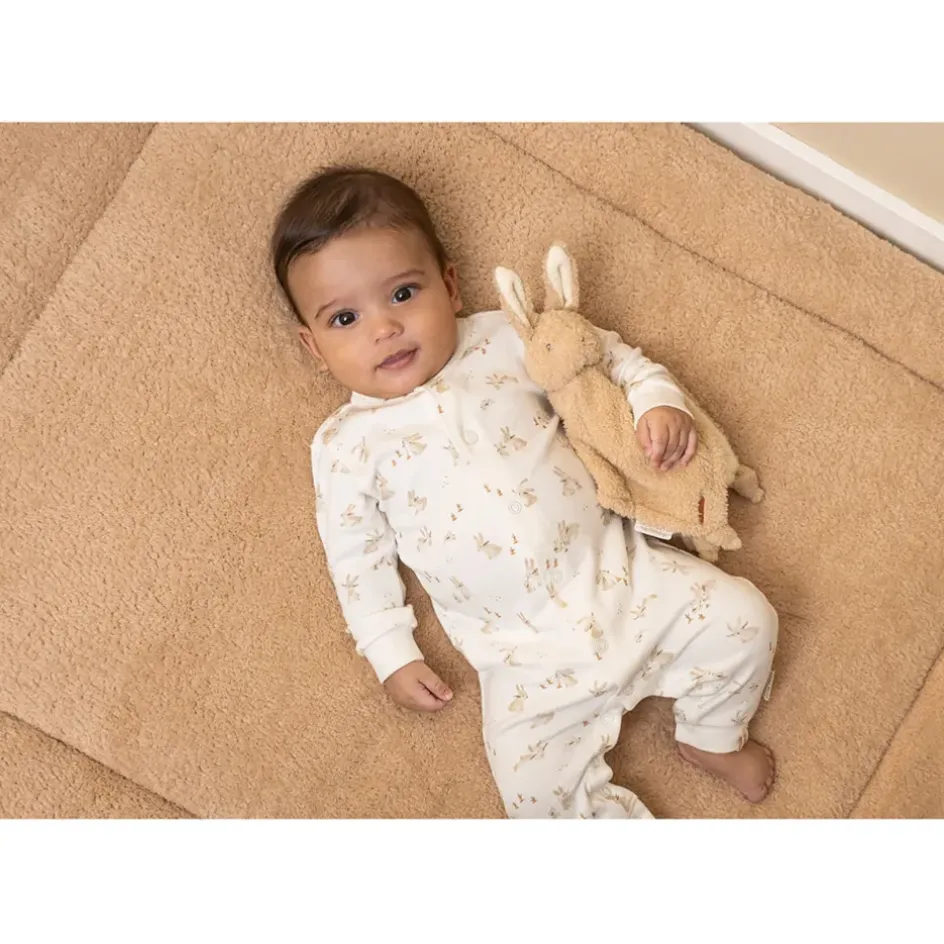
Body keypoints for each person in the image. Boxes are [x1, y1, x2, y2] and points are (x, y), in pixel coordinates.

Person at [271, 165, 778, 818]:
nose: (384, 328)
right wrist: (391, 653)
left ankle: (712, 736)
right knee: (535, 800)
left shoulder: (504, 340)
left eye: (402, 293)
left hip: (626, 581)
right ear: (314, 348)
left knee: (748, 620)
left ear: (449, 285)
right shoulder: (345, 445)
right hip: (521, 660)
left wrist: (655, 401)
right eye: (345, 317)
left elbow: (603, 358)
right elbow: (355, 559)